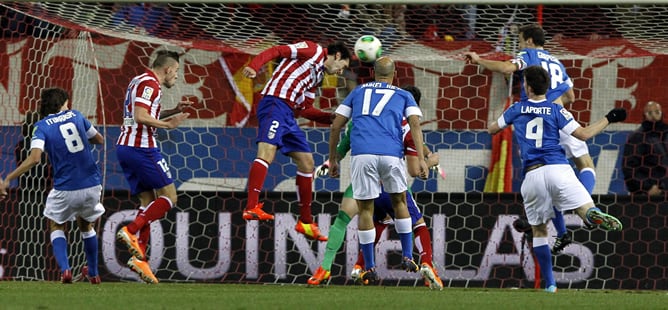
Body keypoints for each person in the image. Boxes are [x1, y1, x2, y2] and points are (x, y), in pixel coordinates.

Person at [488, 65, 625, 293]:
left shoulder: (517, 108)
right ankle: (590, 214)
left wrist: (505, 118)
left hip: (532, 176)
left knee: (539, 230)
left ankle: (550, 284)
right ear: (547, 87)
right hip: (559, 169)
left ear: (527, 87)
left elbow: (492, 129)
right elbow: (583, 134)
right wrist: (609, 118)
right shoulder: (556, 110)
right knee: (584, 206)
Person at [464, 24, 594, 255]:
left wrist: (478, 60)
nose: (520, 46)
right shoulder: (557, 62)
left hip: (537, 119)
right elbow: (571, 96)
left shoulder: (529, 55)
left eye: (521, 41)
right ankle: (586, 209)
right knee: (584, 164)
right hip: (560, 114)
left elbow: (506, 67)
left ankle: (563, 227)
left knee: (542, 175)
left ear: (530, 41)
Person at [308, 86, 443, 290]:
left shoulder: (361, 120)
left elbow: (343, 143)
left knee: (357, 219)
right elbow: (415, 166)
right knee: (417, 223)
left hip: (364, 179)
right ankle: (425, 263)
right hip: (390, 184)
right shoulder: (404, 124)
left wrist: (329, 163)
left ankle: (347, 266)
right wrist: (430, 161)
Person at [328, 56, 429, 284]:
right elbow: (414, 124)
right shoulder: (404, 94)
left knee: (366, 209)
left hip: (362, 153)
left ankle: (370, 267)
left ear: (372, 73)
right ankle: (407, 256)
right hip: (391, 153)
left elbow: (336, 124)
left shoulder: (359, 91)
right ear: (394, 76)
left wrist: (333, 158)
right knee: (400, 202)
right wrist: (422, 159)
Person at [241, 40, 351, 242]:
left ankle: (306, 222)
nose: (340, 72)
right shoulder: (312, 49)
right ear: (337, 56)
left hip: (289, 114)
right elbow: (277, 50)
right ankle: (251, 207)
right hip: (274, 103)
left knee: (307, 162)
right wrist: (254, 66)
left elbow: (304, 109)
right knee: (266, 152)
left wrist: (330, 118)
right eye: (342, 66)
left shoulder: (317, 75)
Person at [0, 87, 105, 284]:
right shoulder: (76, 115)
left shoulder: (41, 126)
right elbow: (99, 139)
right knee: (86, 225)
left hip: (65, 187)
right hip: (92, 184)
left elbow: (35, 158)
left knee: (56, 224)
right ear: (64, 103)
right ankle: (93, 273)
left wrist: (8, 179)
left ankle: (65, 270)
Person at [115, 50, 191, 284]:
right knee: (169, 197)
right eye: (176, 71)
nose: (176, 76)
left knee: (147, 202)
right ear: (167, 69)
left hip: (126, 148)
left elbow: (145, 112)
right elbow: (140, 116)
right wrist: (168, 125)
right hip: (142, 149)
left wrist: (173, 111)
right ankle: (131, 230)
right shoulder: (151, 84)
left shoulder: (138, 80)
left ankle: (140, 259)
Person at [622, 101, 668, 196]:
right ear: (644, 115)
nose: (654, 116)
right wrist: (647, 188)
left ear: (662, 114)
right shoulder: (637, 137)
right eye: (650, 113)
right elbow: (629, 167)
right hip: (650, 193)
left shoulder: (666, 133)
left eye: (657, 112)